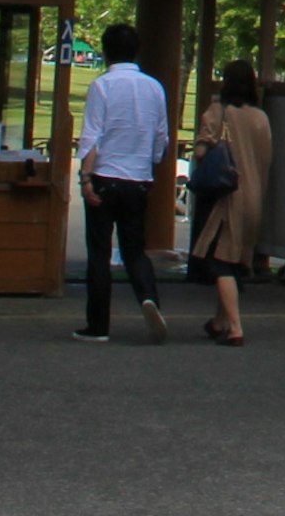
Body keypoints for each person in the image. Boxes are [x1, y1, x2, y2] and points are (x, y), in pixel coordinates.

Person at [73, 22, 169, 343]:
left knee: (99, 252)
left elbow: (92, 137)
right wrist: (149, 166)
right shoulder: (154, 87)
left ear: (105, 50)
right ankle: (149, 299)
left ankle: (98, 325)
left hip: (105, 176)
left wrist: (85, 178)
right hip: (138, 179)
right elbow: (161, 138)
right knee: (135, 249)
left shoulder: (103, 86)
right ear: (136, 49)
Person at [188, 60, 272, 346]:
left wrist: (202, 149)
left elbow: (202, 149)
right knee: (234, 260)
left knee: (220, 262)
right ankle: (219, 321)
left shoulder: (219, 112)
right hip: (254, 196)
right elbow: (266, 160)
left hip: (226, 196)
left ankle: (235, 327)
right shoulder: (262, 118)